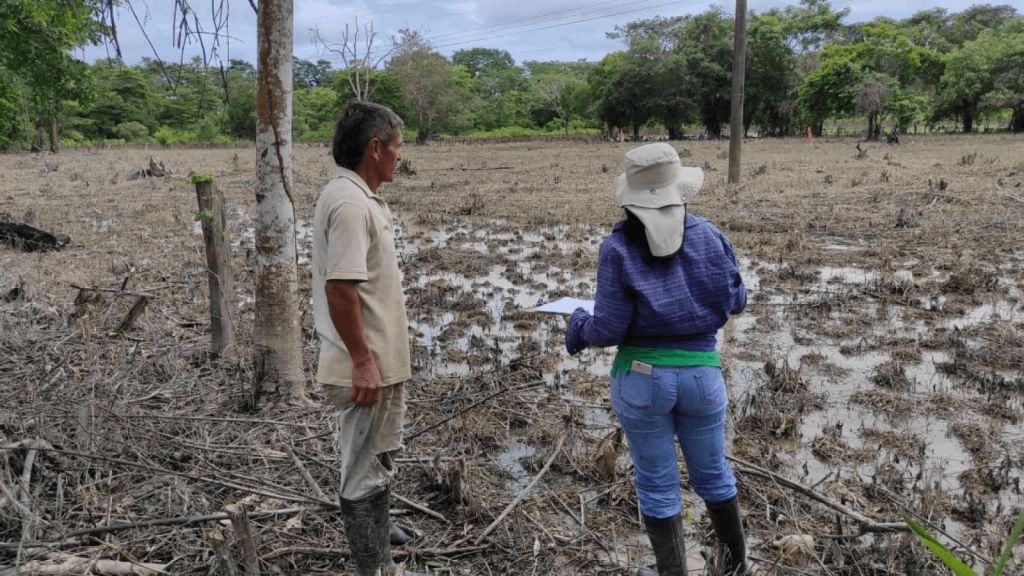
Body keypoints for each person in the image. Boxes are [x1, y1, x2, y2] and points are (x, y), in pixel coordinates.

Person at [565, 143, 748, 576]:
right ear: (679, 190)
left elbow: (607, 328)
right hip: (703, 378)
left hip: (642, 382)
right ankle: (736, 567)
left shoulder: (618, 248)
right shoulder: (710, 235)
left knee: (658, 486)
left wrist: (577, 325)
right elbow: (736, 300)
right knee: (714, 475)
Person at [312, 101, 426, 576]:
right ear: (375, 148)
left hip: (378, 361)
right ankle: (376, 567)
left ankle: (378, 535)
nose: (401, 156)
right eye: (397, 147)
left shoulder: (359, 196)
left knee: (377, 455)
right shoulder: (350, 202)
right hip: (365, 364)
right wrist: (362, 358)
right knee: (363, 469)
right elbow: (340, 288)